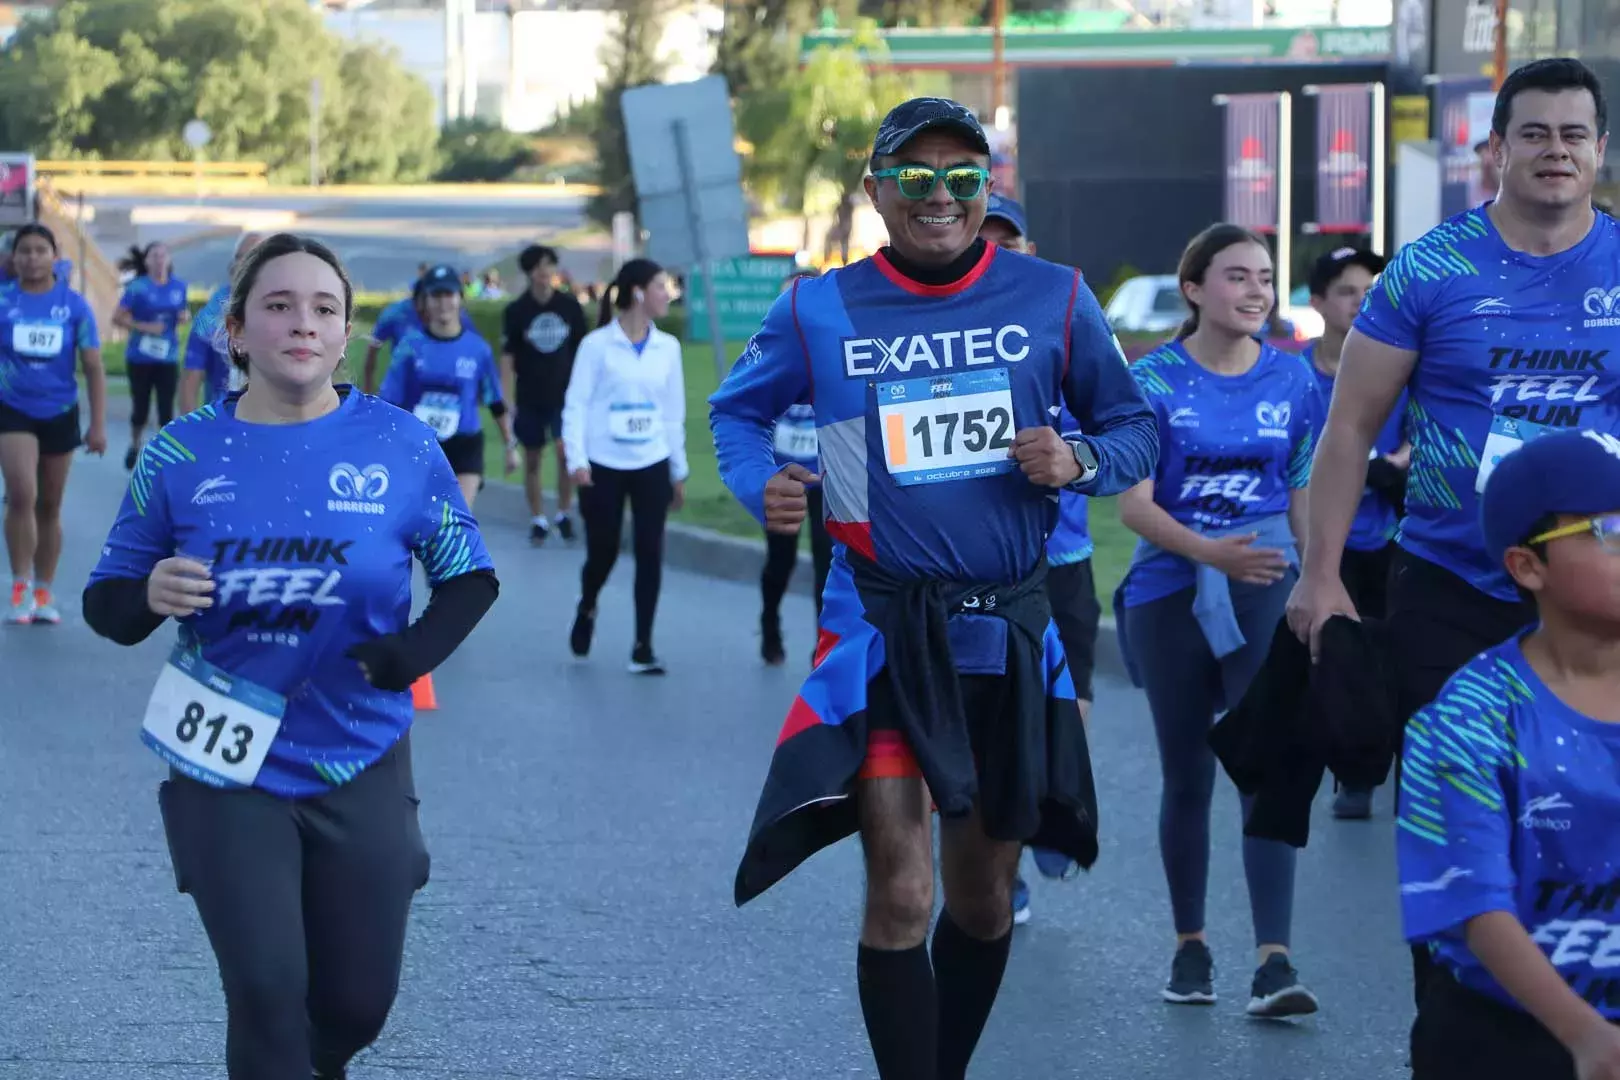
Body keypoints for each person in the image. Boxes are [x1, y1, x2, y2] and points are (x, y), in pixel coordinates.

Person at [710, 97, 1159, 1080]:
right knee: (903, 894)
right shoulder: (818, 308)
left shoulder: (1056, 296)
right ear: (876, 191)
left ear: (989, 188)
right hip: (879, 626)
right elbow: (735, 414)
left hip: (1004, 630)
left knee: (982, 898)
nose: (941, 196)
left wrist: (1076, 456)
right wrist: (763, 489)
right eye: (914, 177)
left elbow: (1136, 429)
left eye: (964, 176)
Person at [81, 233, 499, 1080]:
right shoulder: (180, 452)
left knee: (354, 1003)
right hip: (222, 758)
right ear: (235, 331)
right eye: (277, 306)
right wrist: (148, 592)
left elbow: (470, 580)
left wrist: (406, 654)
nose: (302, 324)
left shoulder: (401, 445)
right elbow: (107, 603)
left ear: (347, 335)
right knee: (267, 991)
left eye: (323, 308)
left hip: (362, 749)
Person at [1285, 56, 1620, 1008]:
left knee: (1590, 823)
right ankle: (1460, 1025)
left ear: (1599, 149)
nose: (1555, 151)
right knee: (1462, 819)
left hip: (1596, 595)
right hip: (1449, 586)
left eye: (1573, 134)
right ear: (1495, 149)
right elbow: (1347, 431)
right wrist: (1322, 576)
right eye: (1534, 133)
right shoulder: (1433, 268)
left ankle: (1583, 1016)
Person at [1115, 223, 1319, 1016]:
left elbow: (1301, 494)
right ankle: (1190, 947)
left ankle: (1275, 961)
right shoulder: (1151, 380)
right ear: (1195, 289)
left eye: (1265, 277)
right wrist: (1209, 552)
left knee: (1266, 762)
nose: (1257, 290)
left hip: (1266, 579)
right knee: (1188, 772)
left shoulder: (1296, 381)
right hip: (1169, 590)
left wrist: (1318, 585)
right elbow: (1132, 505)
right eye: (1238, 276)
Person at [1398, 428, 1620, 1080]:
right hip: (1508, 1038)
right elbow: (1473, 904)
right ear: (1528, 566)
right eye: (1609, 531)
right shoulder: (1470, 717)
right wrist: (1586, 1037)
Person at [977, 194, 1097, 923]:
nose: (995, 253)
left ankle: (1054, 802)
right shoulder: (940, 332)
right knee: (992, 721)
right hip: (979, 564)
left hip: (1066, 556)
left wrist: (1073, 457)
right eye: (982, 240)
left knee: (1068, 712)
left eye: (1009, 242)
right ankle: (1004, 860)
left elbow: (1122, 438)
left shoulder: (1068, 322)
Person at [1297, 245, 1409, 821]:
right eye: (1346, 291)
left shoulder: (1405, 367)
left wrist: (1394, 464)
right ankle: (1356, 775)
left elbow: (1425, 433)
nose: (1360, 302)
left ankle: (1410, 771)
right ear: (1317, 302)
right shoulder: (1295, 373)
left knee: (1401, 654)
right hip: (1327, 539)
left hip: (1393, 534)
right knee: (1345, 658)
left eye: (1371, 289)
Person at [563, 257, 688, 675]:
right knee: (604, 550)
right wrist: (577, 460)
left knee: (651, 552)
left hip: (651, 461)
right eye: (660, 286)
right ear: (637, 292)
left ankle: (642, 646)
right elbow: (576, 405)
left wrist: (678, 469)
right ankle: (587, 603)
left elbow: (673, 413)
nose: (667, 294)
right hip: (603, 464)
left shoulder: (668, 348)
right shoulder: (596, 346)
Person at [0, 223, 108, 625]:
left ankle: (44, 590)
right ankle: (20, 585)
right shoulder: (3, 301)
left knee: (49, 505)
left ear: (53, 256)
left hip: (60, 411)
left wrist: (97, 426)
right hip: (12, 408)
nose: (31, 258)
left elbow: (94, 367)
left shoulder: (74, 306)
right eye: (23, 251)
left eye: (39, 250)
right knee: (21, 493)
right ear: (14, 258)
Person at [379, 264, 515, 511]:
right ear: (425, 301)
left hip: (465, 444)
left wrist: (510, 446)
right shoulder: (410, 346)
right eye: (436, 295)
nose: (443, 303)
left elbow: (495, 400)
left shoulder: (478, 349)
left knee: (457, 519)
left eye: (449, 295)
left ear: (460, 299)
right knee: (421, 522)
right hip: (419, 444)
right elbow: (390, 400)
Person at [759, 268, 833, 667]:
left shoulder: (837, 346)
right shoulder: (767, 354)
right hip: (783, 475)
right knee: (781, 561)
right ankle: (770, 622)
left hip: (826, 475)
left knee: (828, 563)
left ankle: (821, 644)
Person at [501, 244, 588, 545]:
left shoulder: (569, 306)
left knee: (566, 455)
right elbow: (508, 357)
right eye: (539, 267)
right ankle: (538, 518)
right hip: (530, 396)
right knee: (533, 458)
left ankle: (564, 513)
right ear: (529, 272)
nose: (545, 272)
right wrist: (507, 399)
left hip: (565, 396)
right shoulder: (517, 311)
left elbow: (583, 351)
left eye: (549, 266)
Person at [114, 241, 190, 469]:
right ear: (146, 261)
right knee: (141, 407)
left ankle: (162, 453)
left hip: (168, 356)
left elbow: (181, 312)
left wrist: (183, 317)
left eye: (162, 255)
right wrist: (143, 327)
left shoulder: (179, 286)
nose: (159, 260)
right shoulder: (137, 287)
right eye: (154, 256)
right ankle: (135, 444)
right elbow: (117, 317)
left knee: (166, 406)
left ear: (168, 259)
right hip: (140, 356)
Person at [182, 233, 265, 413]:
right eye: (242, 257)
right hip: (224, 427)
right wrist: (191, 437)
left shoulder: (289, 310)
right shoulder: (209, 318)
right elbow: (190, 381)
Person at [360, 267, 475, 395]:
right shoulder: (395, 314)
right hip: (403, 383)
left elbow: (473, 350)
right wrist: (367, 389)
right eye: (433, 297)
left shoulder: (455, 316)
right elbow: (373, 347)